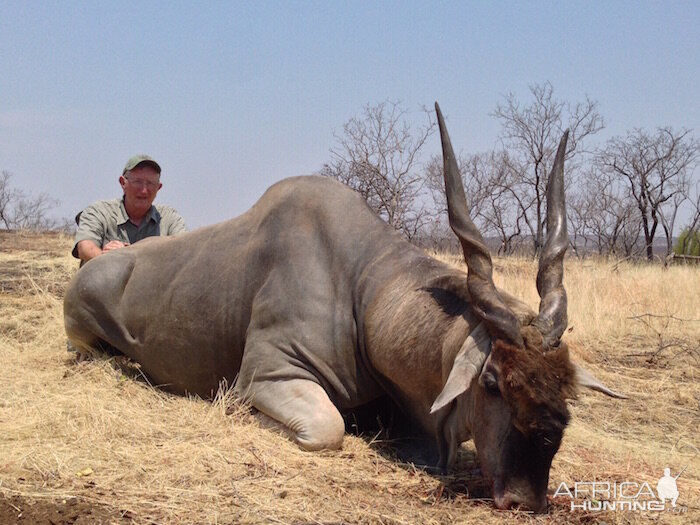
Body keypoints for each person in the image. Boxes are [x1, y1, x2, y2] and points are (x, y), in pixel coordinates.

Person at [72, 154, 186, 264]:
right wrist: (107, 258)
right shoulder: (99, 211)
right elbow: (85, 248)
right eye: (138, 182)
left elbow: (185, 251)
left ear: (158, 187)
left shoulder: (170, 218)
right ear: (123, 183)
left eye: (150, 184)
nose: (144, 191)